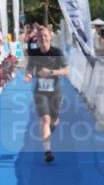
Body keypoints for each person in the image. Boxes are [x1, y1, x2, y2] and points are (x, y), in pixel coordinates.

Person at [23, 26, 69, 163]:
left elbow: (67, 71)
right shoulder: (34, 53)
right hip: (40, 91)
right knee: (45, 120)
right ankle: (47, 152)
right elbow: (29, 68)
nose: (43, 39)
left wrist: (50, 72)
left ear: (50, 38)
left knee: (54, 120)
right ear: (37, 39)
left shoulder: (57, 52)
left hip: (55, 90)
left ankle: (48, 131)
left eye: (45, 36)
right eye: (41, 36)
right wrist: (28, 75)